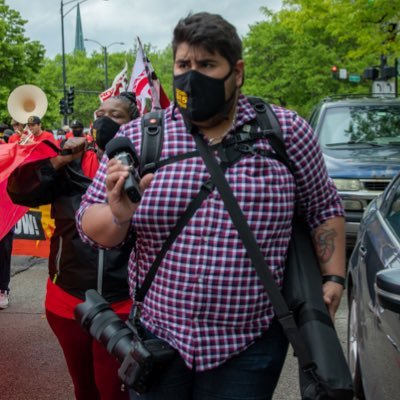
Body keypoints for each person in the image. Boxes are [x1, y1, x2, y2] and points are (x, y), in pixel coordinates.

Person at [76, 12, 346, 400]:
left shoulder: (284, 132)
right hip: (158, 340)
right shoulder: (138, 137)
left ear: (237, 72)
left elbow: (323, 207)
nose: (192, 75)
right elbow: (91, 228)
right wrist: (119, 214)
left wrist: (334, 278)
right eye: (184, 64)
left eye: (206, 64)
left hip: (249, 346)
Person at [7, 92, 139, 400]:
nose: (104, 121)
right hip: (67, 301)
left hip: (124, 303)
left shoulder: (147, 166)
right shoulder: (70, 161)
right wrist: (58, 160)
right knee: (84, 387)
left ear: (134, 124)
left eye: (115, 116)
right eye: (100, 113)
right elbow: (19, 189)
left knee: (114, 390)